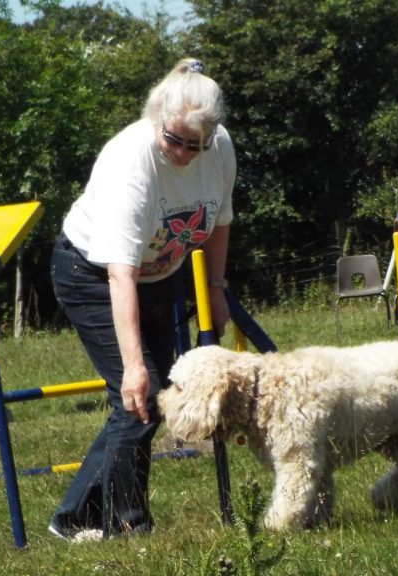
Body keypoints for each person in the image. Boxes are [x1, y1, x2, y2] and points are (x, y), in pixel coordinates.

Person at [48, 57, 235, 541]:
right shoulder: (129, 161)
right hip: (93, 275)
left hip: (162, 275)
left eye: (197, 144)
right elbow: (119, 273)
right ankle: (127, 527)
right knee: (141, 395)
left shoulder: (219, 147)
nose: (185, 154)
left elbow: (220, 223)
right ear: (157, 119)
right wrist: (134, 364)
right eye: (174, 140)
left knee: (147, 400)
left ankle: (74, 516)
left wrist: (214, 291)